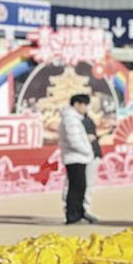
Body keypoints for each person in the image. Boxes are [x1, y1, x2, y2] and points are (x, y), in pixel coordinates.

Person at [57, 94, 96, 224]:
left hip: (79, 157)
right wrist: (87, 151)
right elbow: (74, 140)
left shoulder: (75, 119)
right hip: (74, 158)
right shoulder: (70, 120)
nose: (86, 108)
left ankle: (79, 213)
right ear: (76, 104)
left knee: (80, 187)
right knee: (75, 188)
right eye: (84, 105)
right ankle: (73, 216)